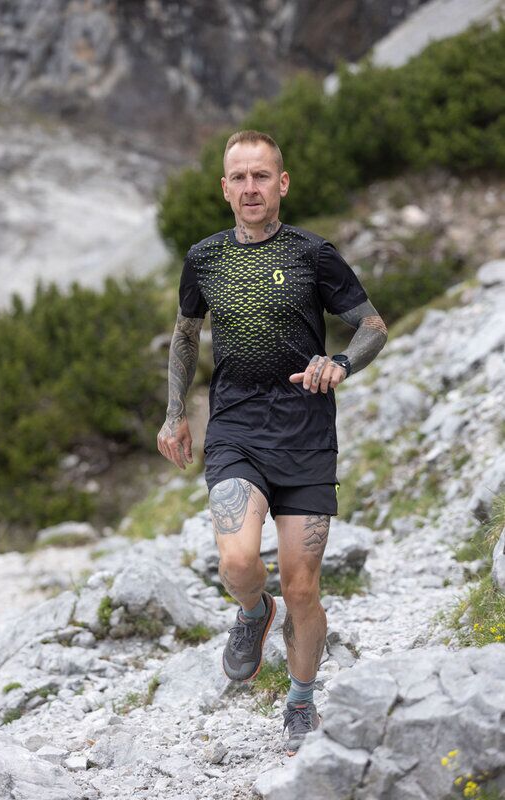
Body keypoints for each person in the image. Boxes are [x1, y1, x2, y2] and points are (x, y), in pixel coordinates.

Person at [157, 129, 388, 757]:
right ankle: (255, 611)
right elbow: (185, 335)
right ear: (224, 188)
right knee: (237, 563)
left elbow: (372, 326)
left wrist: (341, 363)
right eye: (239, 177)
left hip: (307, 434)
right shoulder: (204, 258)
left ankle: (301, 699)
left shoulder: (314, 254)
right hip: (235, 429)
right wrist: (175, 414)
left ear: (281, 183)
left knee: (303, 587)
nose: (250, 187)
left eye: (261, 175)